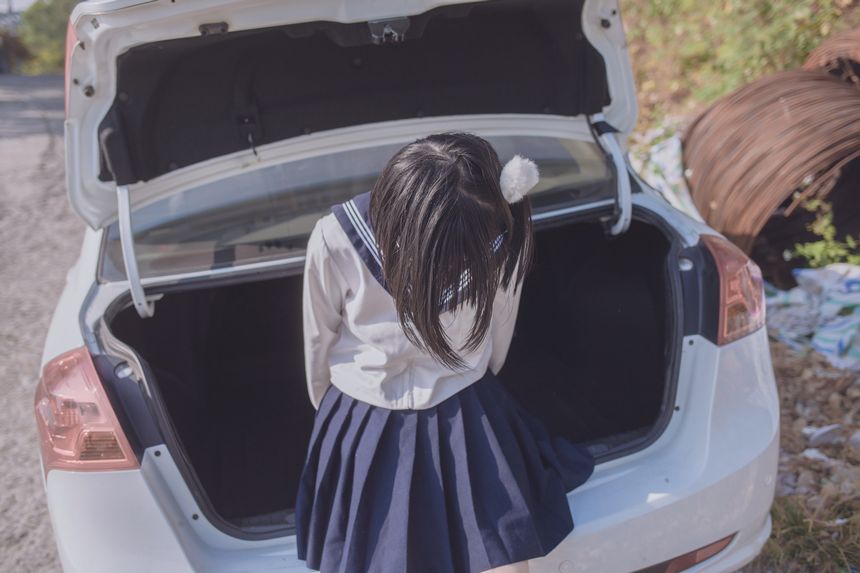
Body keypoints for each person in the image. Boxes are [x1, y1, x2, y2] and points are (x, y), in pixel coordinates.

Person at [296, 132, 595, 573]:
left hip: (363, 409)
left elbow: (318, 339)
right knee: (502, 548)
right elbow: (499, 334)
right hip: (467, 404)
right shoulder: (500, 233)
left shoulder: (332, 236)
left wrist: (335, 418)